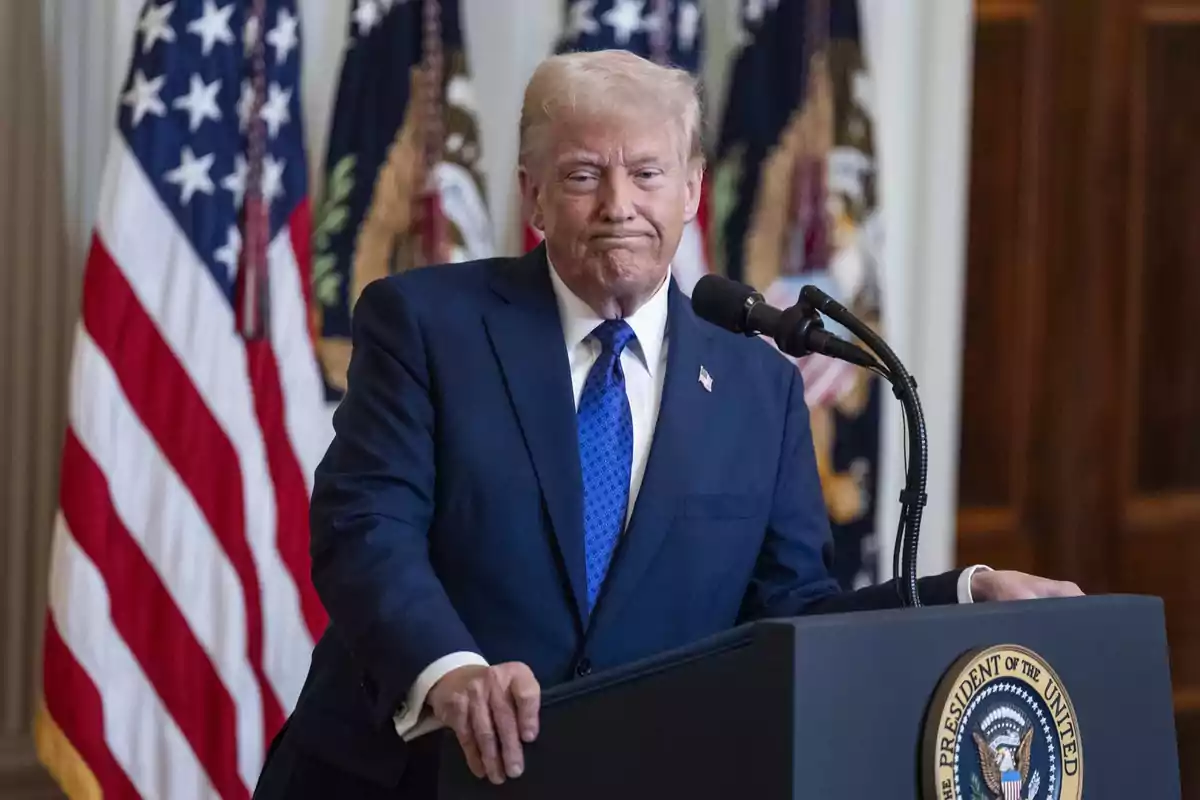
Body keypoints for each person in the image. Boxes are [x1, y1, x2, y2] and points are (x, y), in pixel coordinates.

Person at [252, 49, 1081, 798]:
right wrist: (451, 673)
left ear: (691, 191)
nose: (620, 205)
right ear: (532, 192)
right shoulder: (425, 324)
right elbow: (366, 527)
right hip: (411, 779)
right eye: (583, 175)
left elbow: (788, 615)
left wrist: (962, 596)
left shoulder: (761, 385)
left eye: (647, 174)